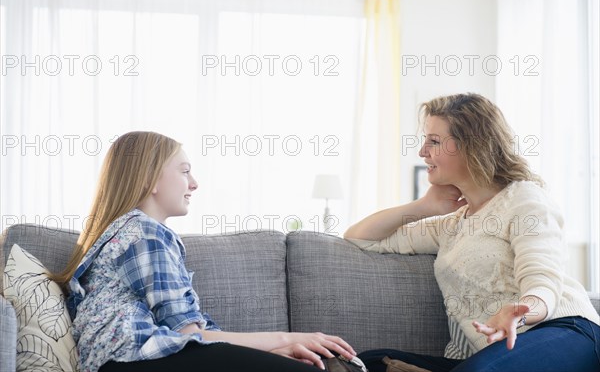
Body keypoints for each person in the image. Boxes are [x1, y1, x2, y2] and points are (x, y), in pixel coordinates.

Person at [51, 131, 357, 372]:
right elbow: (188, 334)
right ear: (148, 179)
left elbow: (190, 335)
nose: (194, 184)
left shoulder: (125, 230)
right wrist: (288, 338)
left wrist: (271, 351)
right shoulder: (145, 232)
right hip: (134, 359)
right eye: (185, 171)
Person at [343, 93, 600, 372]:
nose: (422, 151)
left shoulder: (525, 200)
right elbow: (360, 237)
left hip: (563, 332)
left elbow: (543, 282)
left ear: (472, 146)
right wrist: (424, 206)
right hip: (496, 353)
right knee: (369, 361)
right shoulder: (451, 225)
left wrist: (520, 313)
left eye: (434, 141)